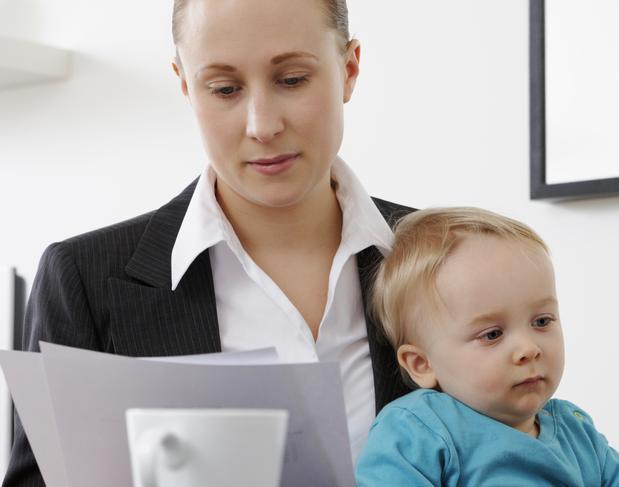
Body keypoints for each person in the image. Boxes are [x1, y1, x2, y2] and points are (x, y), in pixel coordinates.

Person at [3, 0, 414, 485]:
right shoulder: (83, 278)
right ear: (184, 85)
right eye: (224, 89)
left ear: (349, 69)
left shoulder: (451, 258)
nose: (262, 126)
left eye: (292, 80)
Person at [355, 208, 619, 486]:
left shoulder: (577, 431)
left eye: (542, 321)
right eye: (492, 334)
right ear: (422, 364)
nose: (529, 349)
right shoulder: (417, 430)